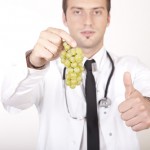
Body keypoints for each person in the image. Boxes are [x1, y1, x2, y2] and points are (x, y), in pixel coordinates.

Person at [1, 0, 150, 149]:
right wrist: (33, 63)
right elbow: (11, 101)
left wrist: (148, 106)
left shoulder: (131, 67)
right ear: (64, 18)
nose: (88, 21)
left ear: (108, 18)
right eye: (77, 11)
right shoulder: (43, 69)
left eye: (97, 11)